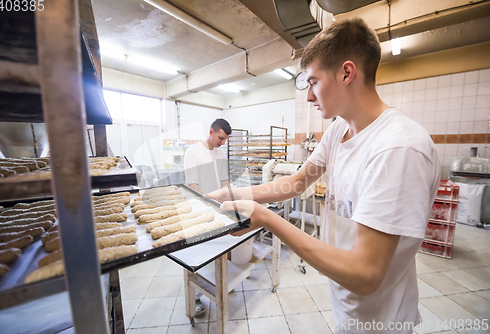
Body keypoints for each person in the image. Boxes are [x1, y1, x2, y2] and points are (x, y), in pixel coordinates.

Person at [208, 18, 440, 334]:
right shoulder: (338, 130)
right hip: (348, 307)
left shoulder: (398, 147)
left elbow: (366, 273)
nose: (308, 96)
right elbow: (297, 182)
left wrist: (269, 219)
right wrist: (233, 195)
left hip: (382, 321)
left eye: (313, 82)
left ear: (347, 72)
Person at [183, 118, 231, 316]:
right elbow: (192, 184)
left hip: (218, 210)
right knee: (198, 254)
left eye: (225, 139)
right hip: (199, 211)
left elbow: (225, 181)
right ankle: (194, 298)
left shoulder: (220, 153)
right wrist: (208, 204)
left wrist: (230, 201)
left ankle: (220, 283)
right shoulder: (193, 152)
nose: (223, 142)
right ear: (211, 132)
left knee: (218, 250)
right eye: (220, 138)